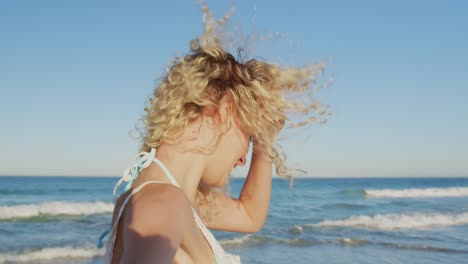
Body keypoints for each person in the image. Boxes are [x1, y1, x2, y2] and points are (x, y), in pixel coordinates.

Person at [97, 2, 328, 263]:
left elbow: (250, 216)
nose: (243, 159)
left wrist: (264, 144)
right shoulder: (163, 202)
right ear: (226, 109)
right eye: (249, 135)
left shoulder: (176, 200)